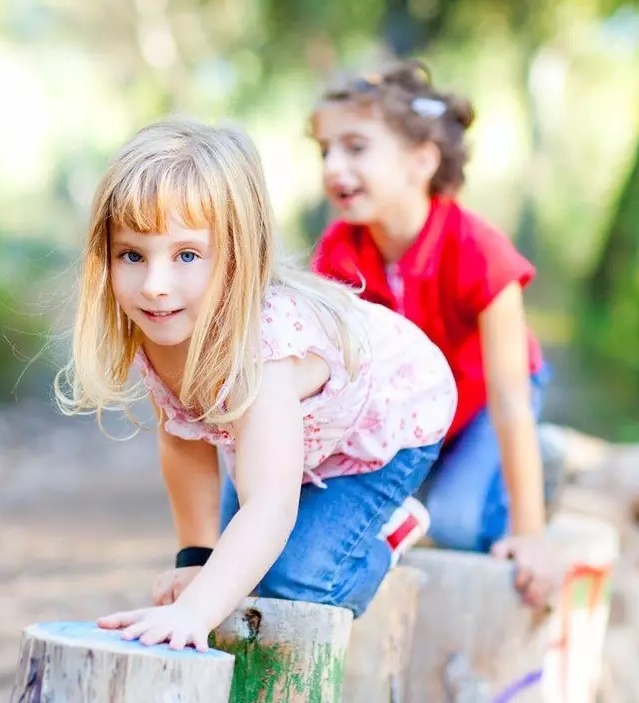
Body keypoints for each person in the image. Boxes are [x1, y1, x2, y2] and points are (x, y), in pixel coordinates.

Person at [54, 117, 458, 651]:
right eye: (132, 255)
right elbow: (182, 439)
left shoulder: (262, 352)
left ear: (238, 256)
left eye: (187, 255)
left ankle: (391, 530)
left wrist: (195, 612)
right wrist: (195, 560)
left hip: (393, 416)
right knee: (234, 571)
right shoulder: (162, 322)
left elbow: (269, 505)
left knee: (295, 585)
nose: (154, 285)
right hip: (300, 432)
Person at [308, 59, 559, 608]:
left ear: (422, 159)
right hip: (414, 415)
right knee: (381, 516)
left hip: (490, 402)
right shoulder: (339, 252)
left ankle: (539, 468)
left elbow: (510, 398)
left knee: (459, 522)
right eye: (325, 150)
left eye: (354, 148)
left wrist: (532, 533)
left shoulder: (479, 253)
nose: (333, 167)